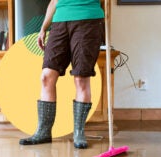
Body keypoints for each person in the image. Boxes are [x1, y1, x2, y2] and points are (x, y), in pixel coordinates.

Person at [19, 0, 105, 149]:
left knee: (81, 78)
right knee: (46, 76)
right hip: (59, 22)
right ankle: (43, 132)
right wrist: (43, 28)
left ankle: (79, 132)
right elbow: (54, 1)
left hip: (87, 20)